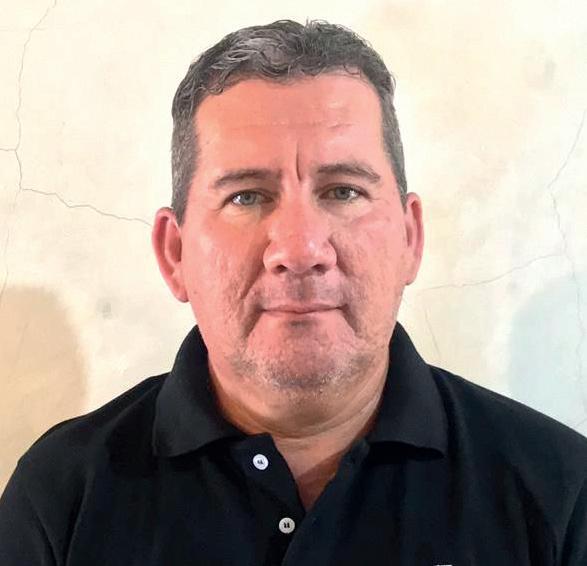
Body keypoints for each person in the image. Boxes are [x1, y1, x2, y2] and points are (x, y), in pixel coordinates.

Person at [1, 18, 586, 565]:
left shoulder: (562, 495)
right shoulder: (60, 499)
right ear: (174, 253)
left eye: (343, 191)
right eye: (246, 196)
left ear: (410, 237)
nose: (301, 248)